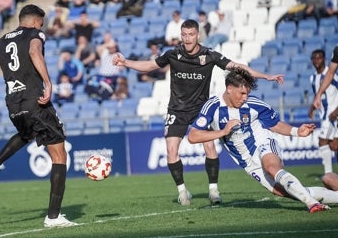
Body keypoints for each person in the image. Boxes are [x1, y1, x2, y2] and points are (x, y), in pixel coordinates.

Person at [112, 19, 283, 206]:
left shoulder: (209, 55)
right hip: (176, 110)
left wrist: (265, 76)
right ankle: (182, 191)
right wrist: (125, 62)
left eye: (191, 34)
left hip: (202, 109)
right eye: (184, 35)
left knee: (209, 147)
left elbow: (237, 67)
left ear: (198, 35)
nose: (187, 39)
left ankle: (213, 190)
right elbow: (150, 66)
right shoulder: (173, 54)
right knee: (171, 151)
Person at [0, 4, 77, 228]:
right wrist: (48, 83)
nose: (42, 27)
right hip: (35, 100)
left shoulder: (1, 42)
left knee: (27, 133)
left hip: (13, 104)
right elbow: (34, 51)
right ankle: (53, 217)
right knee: (59, 155)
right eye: (41, 23)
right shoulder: (35, 33)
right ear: (34, 21)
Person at [187, 68, 337, 212]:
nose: (245, 97)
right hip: (247, 162)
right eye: (242, 93)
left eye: (247, 94)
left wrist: (297, 131)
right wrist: (223, 131)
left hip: (262, 143)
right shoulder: (212, 106)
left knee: (272, 168)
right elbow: (193, 136)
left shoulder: (253, 104)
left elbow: (275, 125)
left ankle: (312, 204)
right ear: (229, 88)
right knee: (286, 191)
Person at [308, 49, 338, 174]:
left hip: (332, 114)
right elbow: (318, 96)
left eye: (319, 58)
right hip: (325, 115)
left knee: (322, 141)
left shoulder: (332, 75)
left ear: (325, 59)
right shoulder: (313, 78)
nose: (317, 61)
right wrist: (312, 108)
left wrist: (336, 110)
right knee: (334, 145)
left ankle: (328, 174)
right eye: (314, 58)